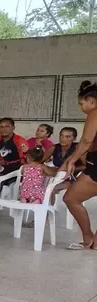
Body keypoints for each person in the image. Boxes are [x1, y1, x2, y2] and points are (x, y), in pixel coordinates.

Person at [62, 81, 97, 249]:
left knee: (71, 198)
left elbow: (86, 140)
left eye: (81, 103)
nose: (81, 107)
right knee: (72, 198)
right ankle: (92, 239)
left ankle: (89, 237)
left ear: (91, 100)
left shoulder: (95, 112)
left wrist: (72, 159)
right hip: (93, 162)